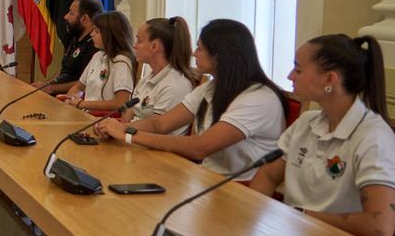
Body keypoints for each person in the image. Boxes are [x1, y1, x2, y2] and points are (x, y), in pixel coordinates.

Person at [94, 19, 287, 180]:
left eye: (200, 48)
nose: (194, 54)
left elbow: (199, 147)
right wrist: (115, 127)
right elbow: (160, 124)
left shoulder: (258, 99)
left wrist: (127, 133)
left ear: (220, 55)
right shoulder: (210, 88)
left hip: (238, 188)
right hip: (207, 178)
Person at [251, 35, 395, 236]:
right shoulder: (307, 123)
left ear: (330, 79)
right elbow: (268, 176)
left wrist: (301, 216)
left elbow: (380, 226)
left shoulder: (374, 137)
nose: (290, 76)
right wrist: (253, 216)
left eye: (298, 69)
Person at [122, 16, 200, 134]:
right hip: (134, 141)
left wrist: (121, 128)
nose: (134, 45)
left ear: (154, 46)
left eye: (139, 40)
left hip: (156, 150)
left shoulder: (176, 85)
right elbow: (127, 116)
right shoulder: (147, 78)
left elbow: (156, 129)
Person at [60, 11, 135, 112]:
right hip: (86, 113)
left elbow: (121, 103)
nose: (91, 34)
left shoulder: (121, 63)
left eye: (97, 31)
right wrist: (70, 100)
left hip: (104, 119)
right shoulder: (98, 56)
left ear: (110, 35)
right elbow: (78, 88)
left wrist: (82, 104)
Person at [38, 0, 102, 94]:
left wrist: (51, 88)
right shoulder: (75, 38)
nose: (65, 16)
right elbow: (64, 71)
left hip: (72, 99)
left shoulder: (94, 45)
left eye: (71, 13)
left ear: (84, 19)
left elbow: (86, 82)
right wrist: (46, 84)